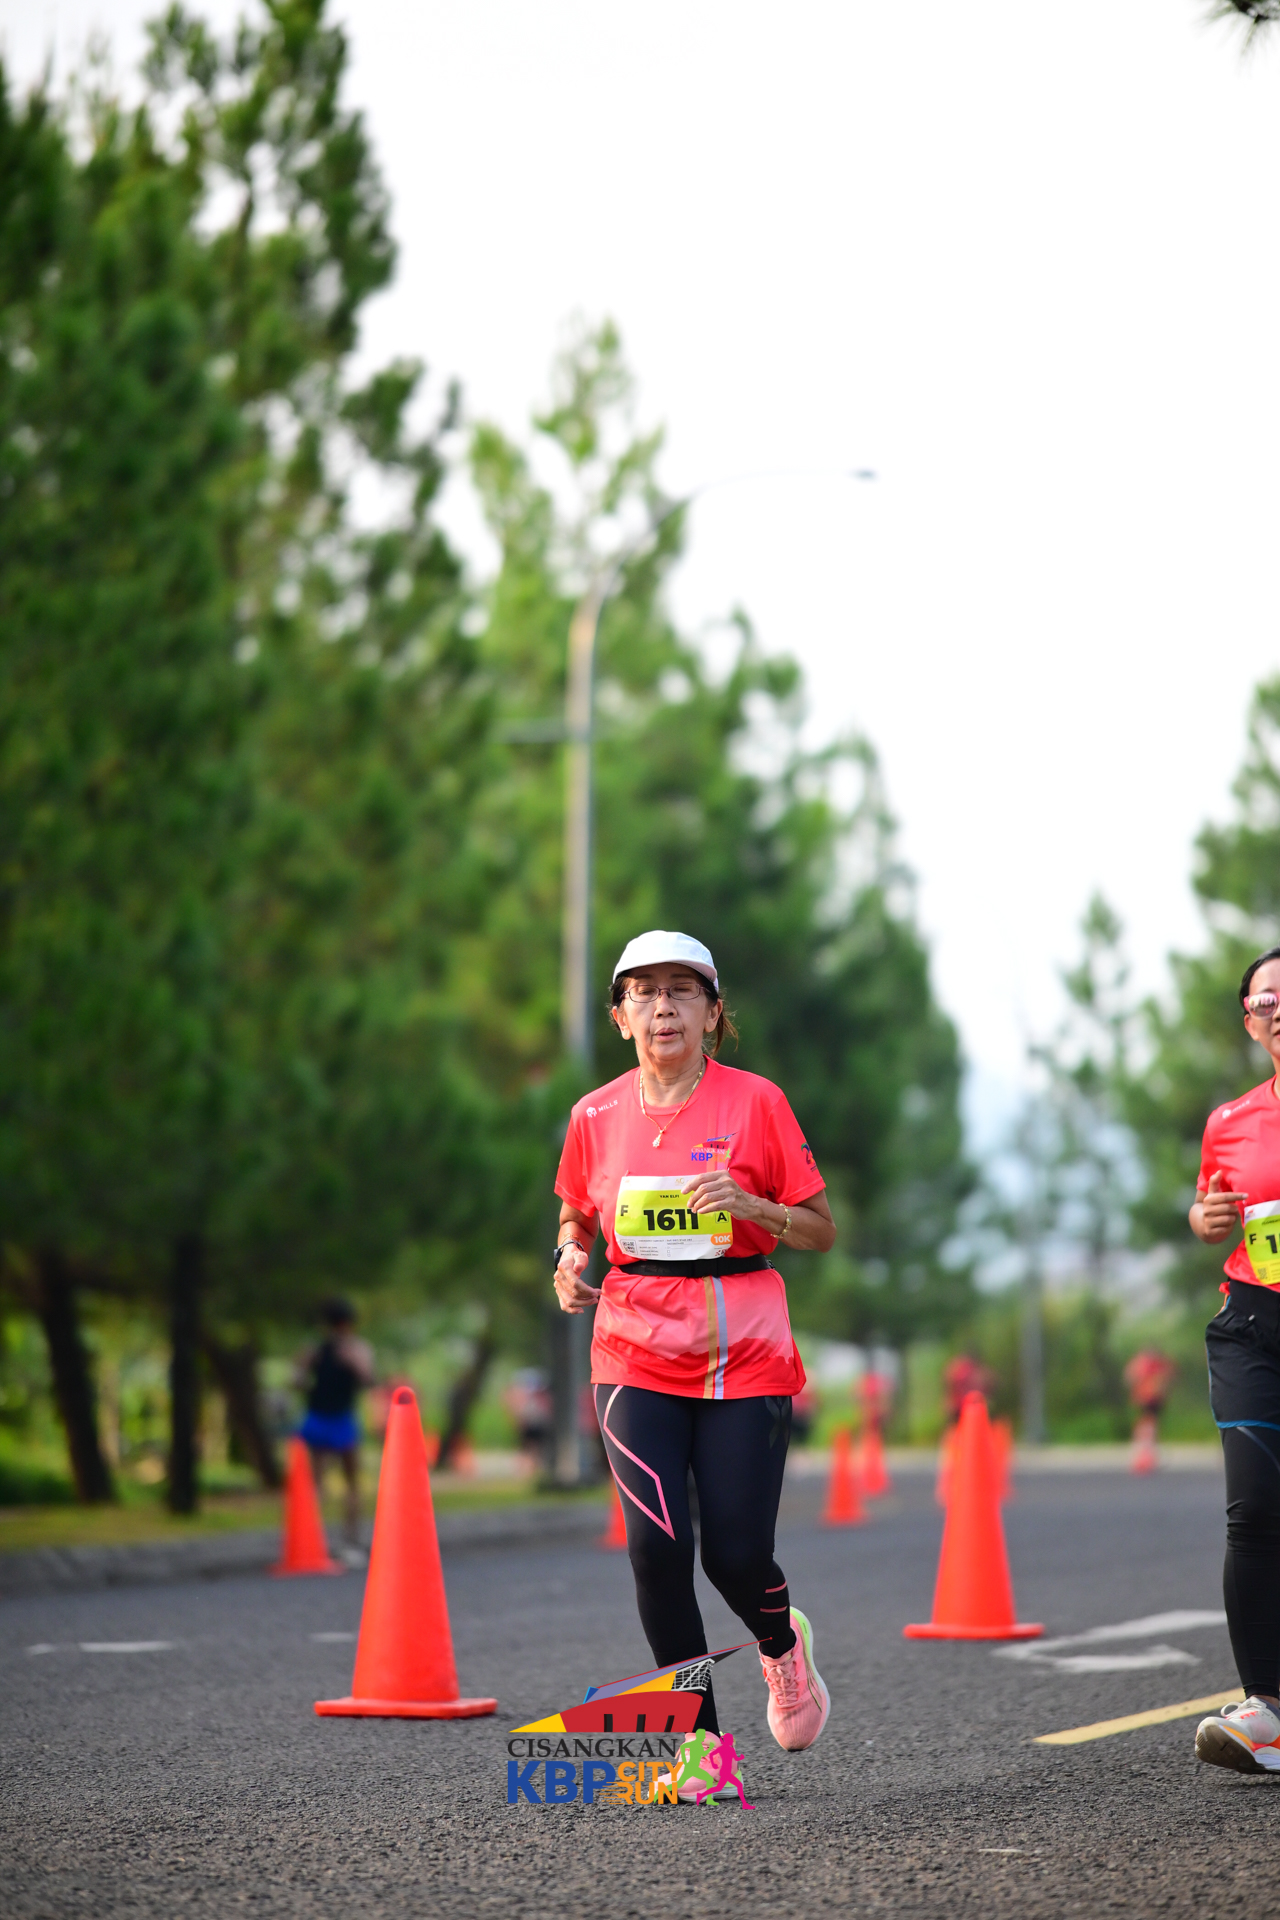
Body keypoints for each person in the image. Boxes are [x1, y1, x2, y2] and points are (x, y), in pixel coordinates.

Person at [552, 928, 837, 1768]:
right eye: (643, 992)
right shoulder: (594, 1114)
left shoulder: (757, 1103)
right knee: (656, 1551)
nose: (663, 1007)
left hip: (743, 1346)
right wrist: (567, 1257)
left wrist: (753, 1207)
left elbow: (820, 1230)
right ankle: (698, 1749)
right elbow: (576, 1212)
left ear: (713, 1013)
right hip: (632, 1346)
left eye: (682, 990)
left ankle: (781, 1645)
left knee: (737, 1557)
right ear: (620, 1016)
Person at [1191, 946, 1280, 1773]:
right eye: (1265, 1002)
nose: (1278, 1011)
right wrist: (1205, 1218)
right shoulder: (1230, 1120)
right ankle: (1267, 1710)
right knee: (1253, 1510)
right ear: (1250, 1023)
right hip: (1253, 1323)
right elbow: (1209, 1205)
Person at [295, 1298, 375, 1565]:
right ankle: (314, 1542)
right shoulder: (316, 1350)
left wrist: (353, 1363)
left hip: (341, 1417)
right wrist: (303, 1366)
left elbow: (368, 1379)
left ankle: (350, 1541)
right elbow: (298, 1383)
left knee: (351, 1481)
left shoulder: (357, 1349)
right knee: (316, 1482)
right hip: (320, 1416)